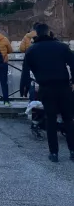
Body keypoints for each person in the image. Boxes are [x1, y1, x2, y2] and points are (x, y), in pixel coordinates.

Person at [20, 23, 74, 163]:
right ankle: (73, 151)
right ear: (49, 33)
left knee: (51, 120)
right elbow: (73, 63)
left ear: (36, 34)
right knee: (68, 119)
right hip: (64, 87)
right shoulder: (62, 47)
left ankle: (54, 153)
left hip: (46, 88)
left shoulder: (32, 50)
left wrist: (24, 87)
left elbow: (25, 70)